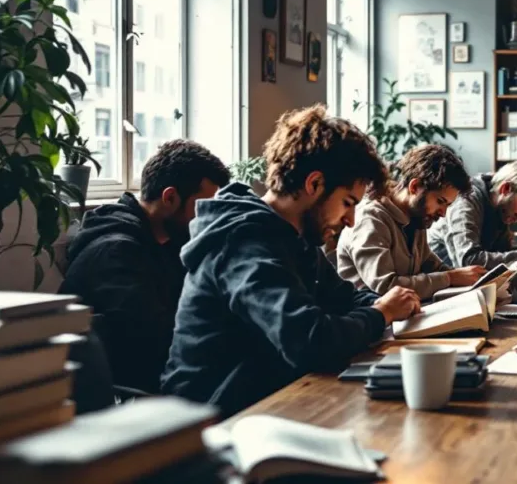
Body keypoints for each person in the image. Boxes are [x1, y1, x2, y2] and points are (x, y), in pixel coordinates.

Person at [161, 106, 421, 416]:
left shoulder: (296, 237)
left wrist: (391, 304)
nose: (351, 221)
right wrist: (382, 312)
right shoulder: (242, 241)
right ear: (314, 184)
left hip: (274, 400)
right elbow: (310, 341)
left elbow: (344, 297)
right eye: (347, 203)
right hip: (210, 423)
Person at [59, 140, 231, 395]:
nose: (209, 220)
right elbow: (160, 343)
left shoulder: (164, 244)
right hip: (133, 398)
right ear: (170, 197)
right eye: (202, 208)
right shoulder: (115, 253)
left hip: (165, 379)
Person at [337, 145, 485, 301]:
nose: (443, 213)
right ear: (414, 187)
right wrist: (451, 278)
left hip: (407, 315)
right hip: (372, 318)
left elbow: (435, 267)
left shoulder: (415, 219)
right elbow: (386, 287)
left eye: (447, 205)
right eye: (440, 201)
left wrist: (475, 283)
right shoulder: (370, 219)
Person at [428, 158, 517, 268]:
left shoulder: (501, 207)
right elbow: (469, 260)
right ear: (505, 189)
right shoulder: (467, 199)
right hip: (441, 280)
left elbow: (503, 253)